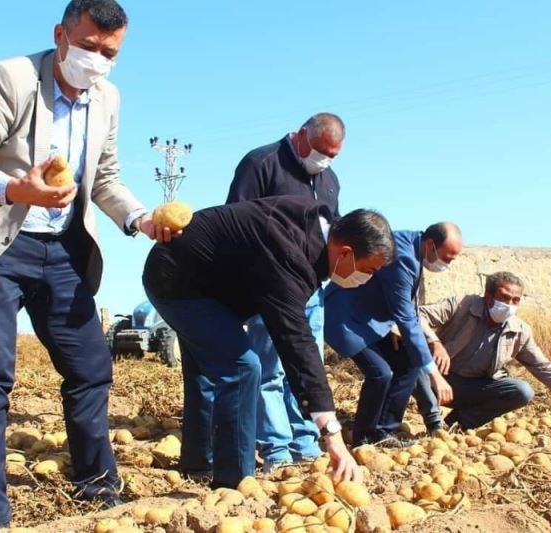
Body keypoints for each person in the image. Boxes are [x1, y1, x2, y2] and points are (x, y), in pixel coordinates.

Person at [0, 1, 172, 530]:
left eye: (110, 53)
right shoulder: (10, 78)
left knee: (91, 369)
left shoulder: (107, 97)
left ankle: (96, 488)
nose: (97, 60)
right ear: (61, 34)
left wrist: (140, 218)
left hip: (62, 250)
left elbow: (104, 177)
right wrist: (17, 189)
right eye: (88, 46)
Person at [142, 196, 396, 488]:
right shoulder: (290, 252)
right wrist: (333, 436)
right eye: (369, 270)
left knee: (208, 370)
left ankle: (198, 465)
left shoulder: (310, 229)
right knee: (242, 367)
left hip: (205, 284)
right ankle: (234, 482)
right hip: (175, 280)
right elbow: (297, 344)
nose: (366, 278)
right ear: (346, 252)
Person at [225, 113, 345, 470]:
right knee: (271, 370)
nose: (324, 161)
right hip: (271, 287)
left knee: (308, 366)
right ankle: (277, 449)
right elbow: (235, 223)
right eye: (321, 151)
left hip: (312, 289)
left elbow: (333, 230)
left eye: (333, 156)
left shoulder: (329, 179)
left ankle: (305, 442)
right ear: (302, 134)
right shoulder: (261, 164)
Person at [325, 222, 462, 446]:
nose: (448, 264)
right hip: (346, 318)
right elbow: (406, 317)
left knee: (408, 362)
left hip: (372, 321)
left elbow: (408, 308)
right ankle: (363, 439)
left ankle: (384, 431)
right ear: (430, 244)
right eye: (447, 258)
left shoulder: (413, 247)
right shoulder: (403, 257)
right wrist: (435, 375)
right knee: (380, 373)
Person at [418, 271, 551, 429]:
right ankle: (434, 426)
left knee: (522, 391)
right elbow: (417, 315)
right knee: (411, 360)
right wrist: (435, 342)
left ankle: (457, 424)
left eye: (515, 300)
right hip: (436, 380)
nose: (509, 305)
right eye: (504, 297)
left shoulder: (519, 331)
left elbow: (543, 366)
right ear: (488, 296)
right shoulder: (463, 305)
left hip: (475, 388)